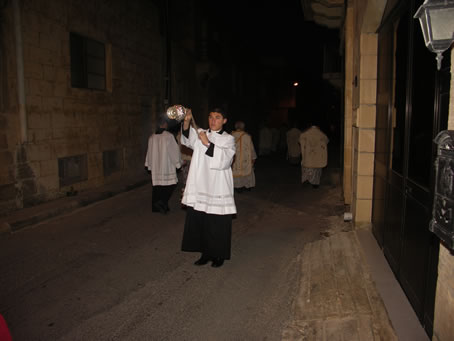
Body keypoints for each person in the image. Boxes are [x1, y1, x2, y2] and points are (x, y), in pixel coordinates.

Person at [180, 108, 236, 268]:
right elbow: (186, 139)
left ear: (224, 120)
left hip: (218, 186)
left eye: (217, 118)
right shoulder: (201, 132)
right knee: (203, 221)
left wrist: (207, 142)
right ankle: (205, 253)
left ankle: (218, 255)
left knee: (217, 223)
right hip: (201, 184)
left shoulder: (228, 139)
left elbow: (225, 161)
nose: (213, 120)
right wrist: (186, 120)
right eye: (211, 117)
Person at [145, 117, 182, 214]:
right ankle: (162, 202)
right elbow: (174, 151)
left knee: (157, 187)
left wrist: (149, 164)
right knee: (172, 184)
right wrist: (178, 163)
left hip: (156, 166)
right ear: (165, 124)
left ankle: (157, 206)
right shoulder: (168, 136)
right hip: (166, 166)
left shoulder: (152, 137)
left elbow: (149, 152)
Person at [299, 123, 329, 188]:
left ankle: (306, 180)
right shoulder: (321, 134)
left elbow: (300, 140)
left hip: (308, 157)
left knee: (307, 168)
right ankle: (315, 184)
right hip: (317, 156)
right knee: (317, 170)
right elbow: (326, 140)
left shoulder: (305, 133)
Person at [232, 121, 257, 192]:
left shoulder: (230, 136)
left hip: (235, 159)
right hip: (245, 159)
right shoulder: (247, 136)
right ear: (243, 127)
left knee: (236, 173)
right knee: (246, 172)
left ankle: (237, 187)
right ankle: (247, 186)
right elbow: (251, 148)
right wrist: (253, 157)